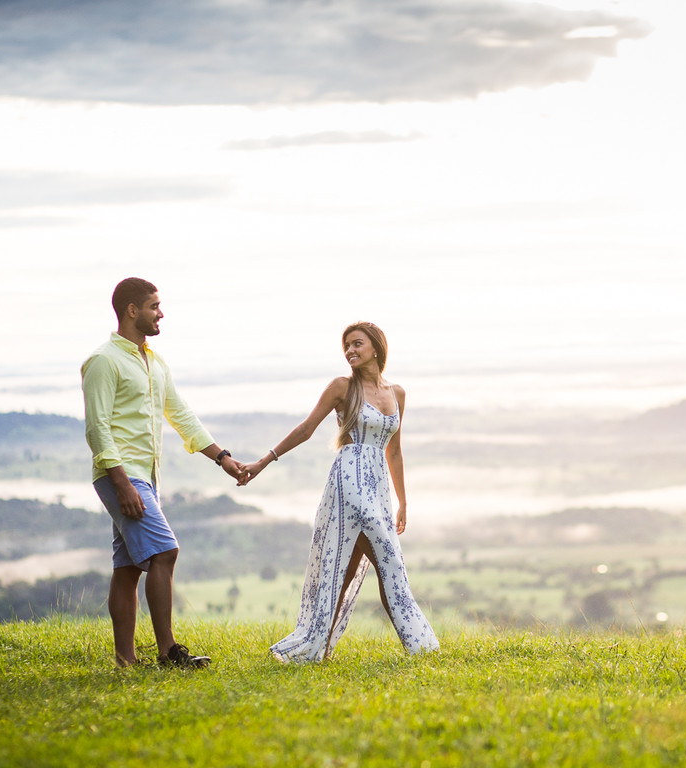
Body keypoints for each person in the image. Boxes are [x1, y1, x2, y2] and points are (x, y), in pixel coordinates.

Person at [241, 321, 439, 663]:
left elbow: (394, 451)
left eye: (357, 344)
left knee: (344, 569)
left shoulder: (398, 394)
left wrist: (403, 500)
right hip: (348, 481)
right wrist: (263, 462)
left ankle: (317, 647)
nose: (350, 351)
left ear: (376, 347)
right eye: (346, 346)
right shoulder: (342, 387)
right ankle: (421, 648)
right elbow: (305, 429)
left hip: (377, 486)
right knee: (389, 559)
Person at [82, 277, 246, 668]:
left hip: (145, 478)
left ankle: (125, 660)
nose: (161, 313)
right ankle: (169, 653)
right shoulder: (104, 361)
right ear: (132, 310)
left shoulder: (154, 362)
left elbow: (181, 415)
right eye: (155, 306)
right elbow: (97, 427)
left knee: (126, 569)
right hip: (120, 475)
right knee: (165, 552)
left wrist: (222, 457)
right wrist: (122, 484)